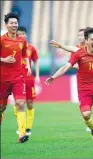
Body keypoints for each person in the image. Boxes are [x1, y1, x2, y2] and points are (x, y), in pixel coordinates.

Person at [0, 13, 31, 143]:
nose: (14, 25)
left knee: (20, 103)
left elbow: (24, 55)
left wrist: (28, 66)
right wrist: (4, 59)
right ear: (6, 25)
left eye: (16, 23)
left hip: (18, 78)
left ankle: (22, 134)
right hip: (3, 79)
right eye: (12, 23)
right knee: (2, 108)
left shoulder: (22, 40)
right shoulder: (1, 40)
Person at [14, 26, 40, 136]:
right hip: (16, 78)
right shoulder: (12, 47)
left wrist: (38, 75)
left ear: (26, 34)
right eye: (19, 34)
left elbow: (36, 61)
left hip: (29, 78)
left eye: (23, 33)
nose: (22, 35)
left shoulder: (31, 48)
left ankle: (28, 128)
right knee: (18, 103)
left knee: (29, 103)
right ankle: (21, 127)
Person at [77, 28, 93, 131]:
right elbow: (71, 64)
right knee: (84, 104)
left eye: (82, 35)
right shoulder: (76, 49)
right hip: (82, 80)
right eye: (79, 35)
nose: (81, 37)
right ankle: (89, 123)